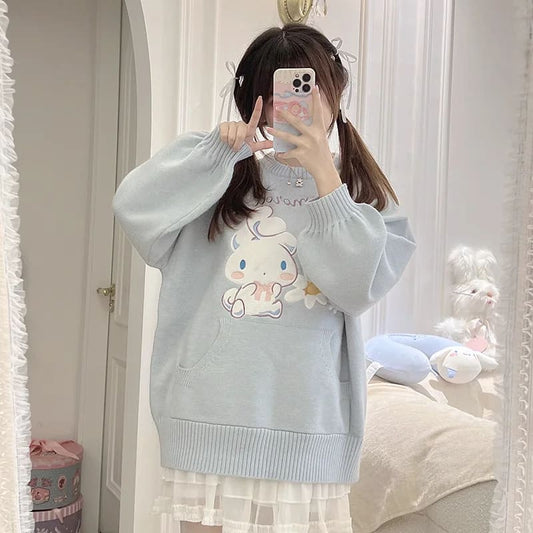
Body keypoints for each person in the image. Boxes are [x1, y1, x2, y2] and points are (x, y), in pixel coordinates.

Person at [112, 23, 416, 533]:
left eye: (306, 87)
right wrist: (216, 153)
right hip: (208, 418)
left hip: (310, 426)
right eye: (276, 92)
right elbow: (133, 209)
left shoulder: (362, 195)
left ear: (334, 94)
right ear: (252, 98)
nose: (290, 105)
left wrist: (325, 178)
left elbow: (355, 287)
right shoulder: (215, 172)